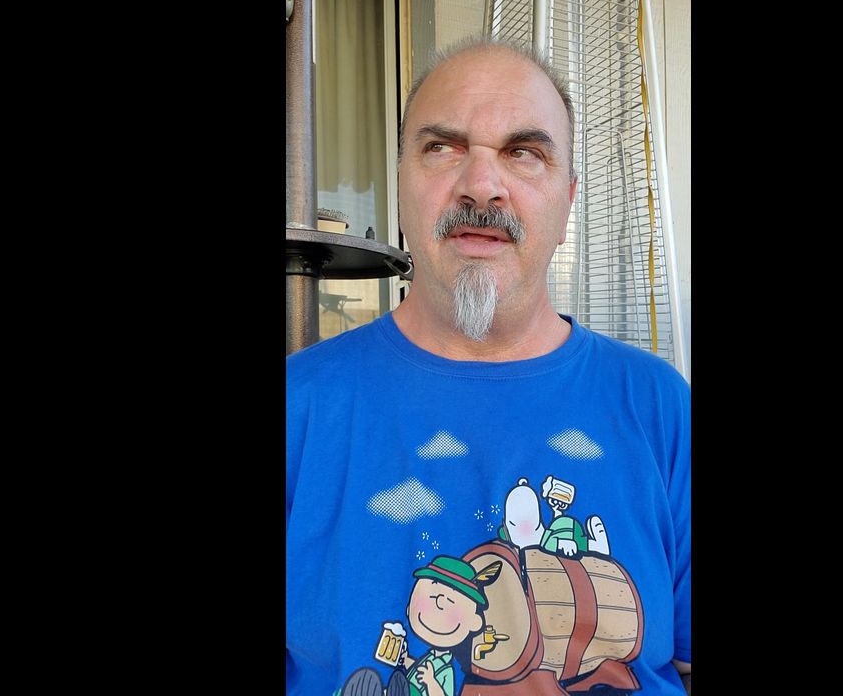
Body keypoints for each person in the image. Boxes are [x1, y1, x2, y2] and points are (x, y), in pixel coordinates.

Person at [287, 36, 691, 696]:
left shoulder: (662, 408)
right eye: (443, 147)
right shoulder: (297, 408)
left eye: (523, 152)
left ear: (568, 199)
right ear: (401, 185)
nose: (481, 185)